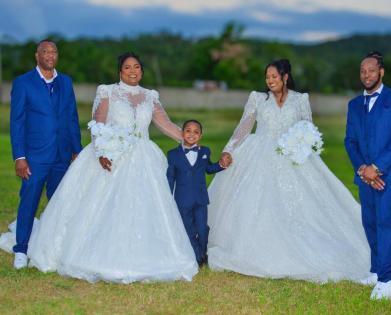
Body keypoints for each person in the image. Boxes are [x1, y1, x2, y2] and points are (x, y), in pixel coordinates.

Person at [1, 52, 198, 283]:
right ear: (120, 72)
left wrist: (187, 140)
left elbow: (165, 124)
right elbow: (97, 125)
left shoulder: (150, 97)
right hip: (112, 157)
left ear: (142, 71)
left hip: (144, 158)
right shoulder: (108, 92)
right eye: (127, 68)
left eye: (136, 67)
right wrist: (102, 151)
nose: (132, 71)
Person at [207, 59, 371, 284]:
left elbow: (308, 128)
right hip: (259, 153)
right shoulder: (258, 98)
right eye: (267, 77)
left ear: (285, 77)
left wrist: (303, 144)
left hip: (292, 155)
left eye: (274, 77)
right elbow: (243, 127)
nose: (269, 81)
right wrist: (228, 150)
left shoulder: (300, 99)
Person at [8, 39, 82, 269]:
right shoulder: (23, 83)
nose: (50, 55)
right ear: (37, 55)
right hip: (35, 157)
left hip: (62, 155)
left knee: (61, 203)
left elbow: (71, 117)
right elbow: (17, 122)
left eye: (54, 52)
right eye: (45, 51)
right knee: (28, 202)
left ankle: (55, 248)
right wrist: (20, 156)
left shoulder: (65, 82)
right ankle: (21, 249)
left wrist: (76, 150)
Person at [345, 51, 391, 300]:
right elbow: (349, 141)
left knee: (384, 222)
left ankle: (387, 280)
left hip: (388, 174)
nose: (366, 75)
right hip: (364, 175)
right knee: (369, 222)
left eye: (371, 70)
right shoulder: (354, 105)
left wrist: (377, 168)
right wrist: (363, 168)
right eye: (362, 71)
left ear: (381, 72)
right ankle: (376, 269)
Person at [167, 119, 226, 265]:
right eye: (188, 130)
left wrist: (220, 165)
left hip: (200, 199)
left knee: (202, 228)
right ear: (182, 133)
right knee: (189, 230)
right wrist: (167, 197)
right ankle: (198, 256)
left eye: (196, 132)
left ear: (200, 135)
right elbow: (170, 178)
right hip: (182, 200)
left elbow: (209, 169)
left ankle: (203, 250)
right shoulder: (173, 154)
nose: (191, 134)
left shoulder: (205, 151)